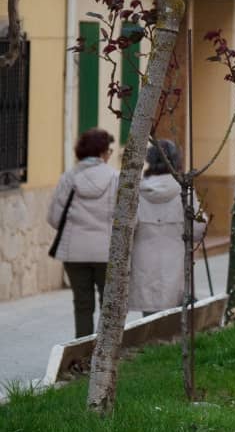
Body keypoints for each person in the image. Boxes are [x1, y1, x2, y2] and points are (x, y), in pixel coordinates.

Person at [46, 128, 118, 338]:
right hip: (107, 252)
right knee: (109, 305)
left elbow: (54, 218)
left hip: (74, 253)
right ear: (102, 152)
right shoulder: (116, 177)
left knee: (82, 305)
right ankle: (105, 350)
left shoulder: (69, 178)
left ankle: (83, 350)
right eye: (109, 150)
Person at [127, 139, 206, 315]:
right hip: (175, 259)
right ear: (176, 160)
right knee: (174, 316)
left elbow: (127, 230)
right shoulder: (185, 191)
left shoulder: (136, 191)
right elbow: (198, 230)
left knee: (149, 316)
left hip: (143, 259)